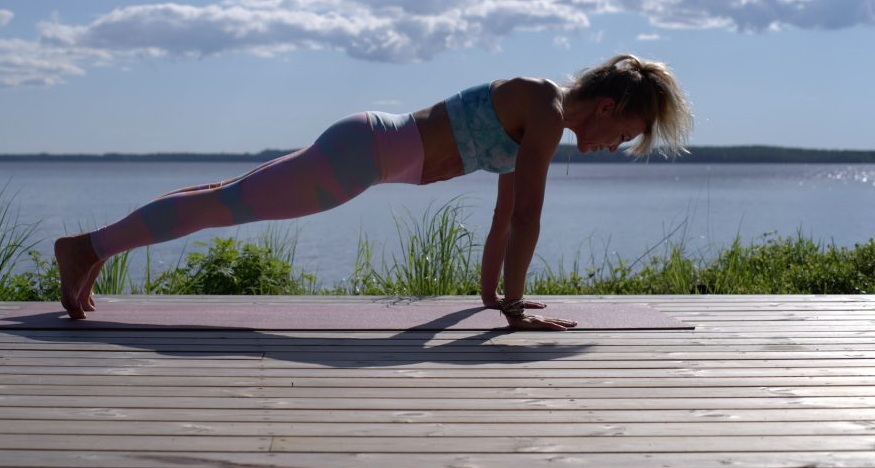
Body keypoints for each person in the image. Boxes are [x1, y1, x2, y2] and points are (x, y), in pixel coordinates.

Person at [55, 53, 692, 329]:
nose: (616, 146)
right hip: (367, 153)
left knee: (227, 196)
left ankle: (92, 249)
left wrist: (494, 296)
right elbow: (528, 217)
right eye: (626, 132)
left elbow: (504, 218)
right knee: (228, 205)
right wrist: (519, 312)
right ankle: (89, 248)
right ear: (608, 106)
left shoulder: (540, 115)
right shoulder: (546, 109)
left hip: (368, 149)